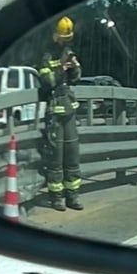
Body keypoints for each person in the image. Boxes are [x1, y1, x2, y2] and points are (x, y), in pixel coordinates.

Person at [37, 15, 83, 211]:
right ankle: (57, 197)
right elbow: (47, 82)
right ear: (55, 35)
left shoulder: (68, 52)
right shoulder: (46, 55)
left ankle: (73, 196)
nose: (65, 41)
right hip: (54, 112)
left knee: (72, 156)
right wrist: (61, 68)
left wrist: (75, 67)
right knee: (56, 158)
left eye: (68, 37)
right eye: (63, 37)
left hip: (69, 111)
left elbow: (75, 80)